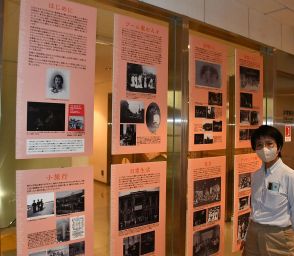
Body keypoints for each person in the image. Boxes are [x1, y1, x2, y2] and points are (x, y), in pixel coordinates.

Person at [242, 125, 294, 255]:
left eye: (269, 143)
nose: (264, 149)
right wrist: (246, 236)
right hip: (253, 233)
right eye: (259, 145)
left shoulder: (289, 175)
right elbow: (254, 208)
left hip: (278, 237)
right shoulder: (256, 175)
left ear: (279, 147)